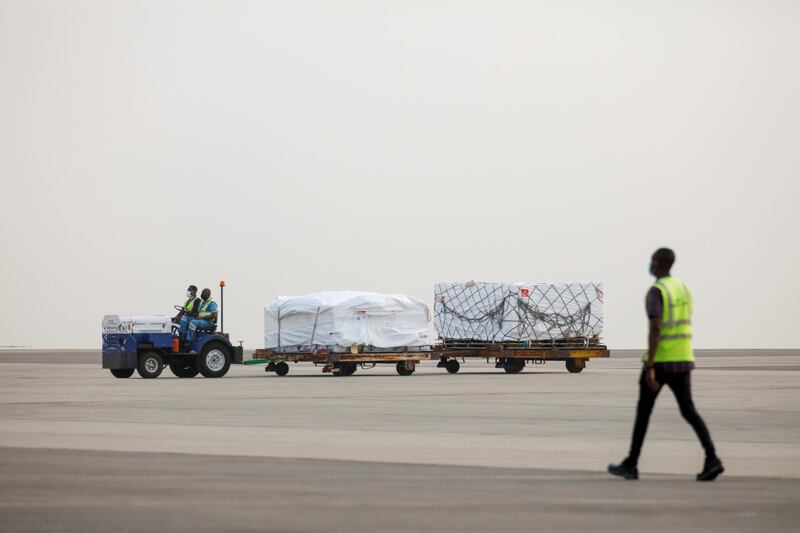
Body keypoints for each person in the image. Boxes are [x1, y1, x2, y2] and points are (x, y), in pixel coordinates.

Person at [608, 248, 724, 481]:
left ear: (658, 264)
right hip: (683, 359)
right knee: (688, 410)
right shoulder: (684, 289)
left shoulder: (657, 291)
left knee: (643, 413)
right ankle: (712, 458)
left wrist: (650, 365)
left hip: (661, 362)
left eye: (651, 261)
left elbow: (656, 328)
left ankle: (631, 463)